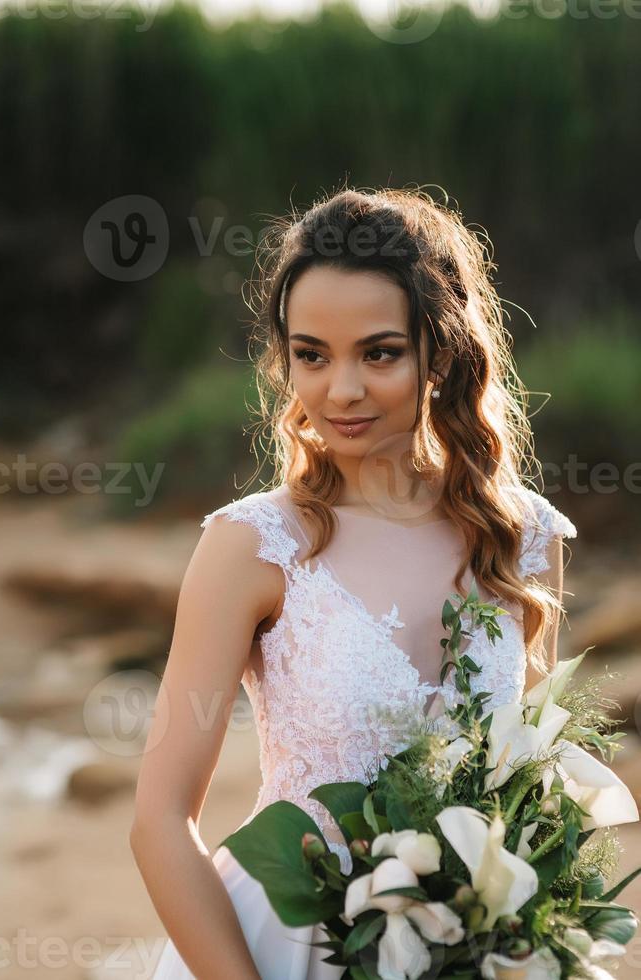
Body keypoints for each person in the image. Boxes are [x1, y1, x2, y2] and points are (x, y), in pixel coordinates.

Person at [130, 186, 577, 979]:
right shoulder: (254, 545)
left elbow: (521, 785)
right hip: (286, 948)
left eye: (379, 352)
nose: (341, 390)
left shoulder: (524, 535)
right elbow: (160, 822)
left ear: (442, 352)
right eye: (312, 354)